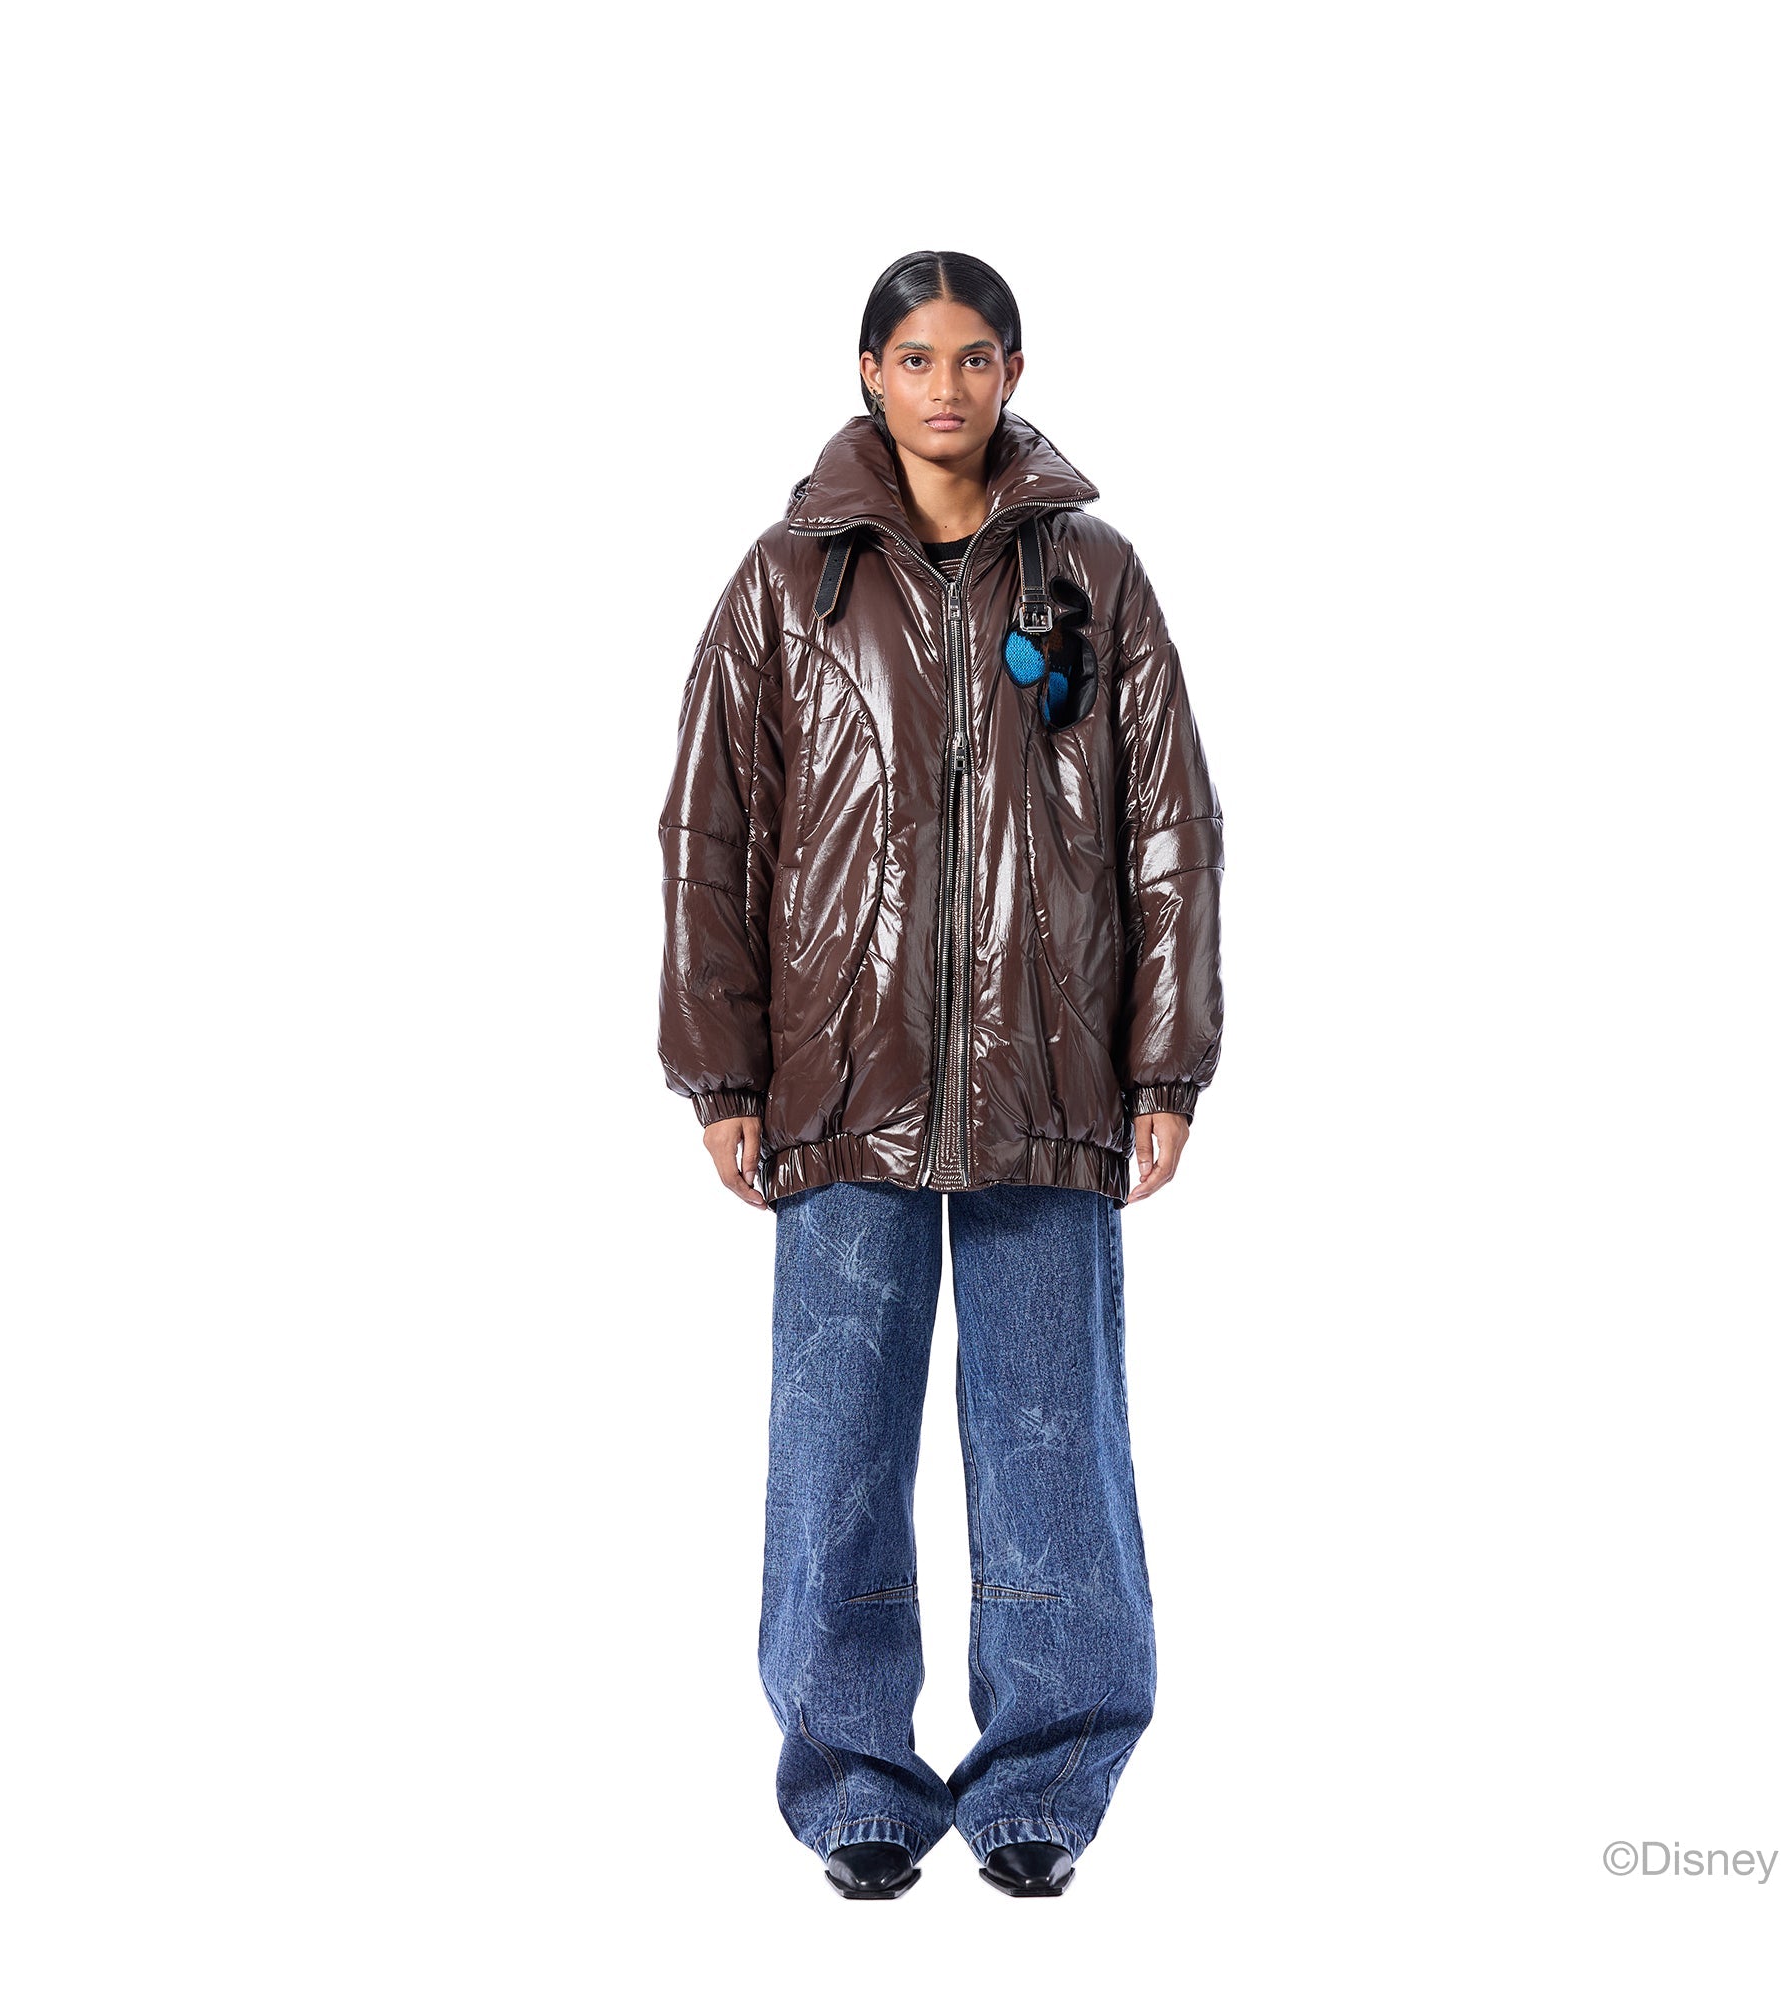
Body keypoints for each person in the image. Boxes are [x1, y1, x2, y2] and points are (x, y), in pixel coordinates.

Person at [656, 250, 1224, 1899]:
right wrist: (723, 1072)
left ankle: (1045, 1781)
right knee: (836, 1443)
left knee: (1053, 1440)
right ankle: (853, 1783)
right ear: (868, 373)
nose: (947, 387)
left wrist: (1166, 1066)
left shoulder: (1093, 576)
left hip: (1053, 1073)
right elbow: (710, 828)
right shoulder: (788, 581)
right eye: (915, 358)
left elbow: (1171, 827)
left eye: (975, 357)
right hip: (841, 1077)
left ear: (1014, 371)